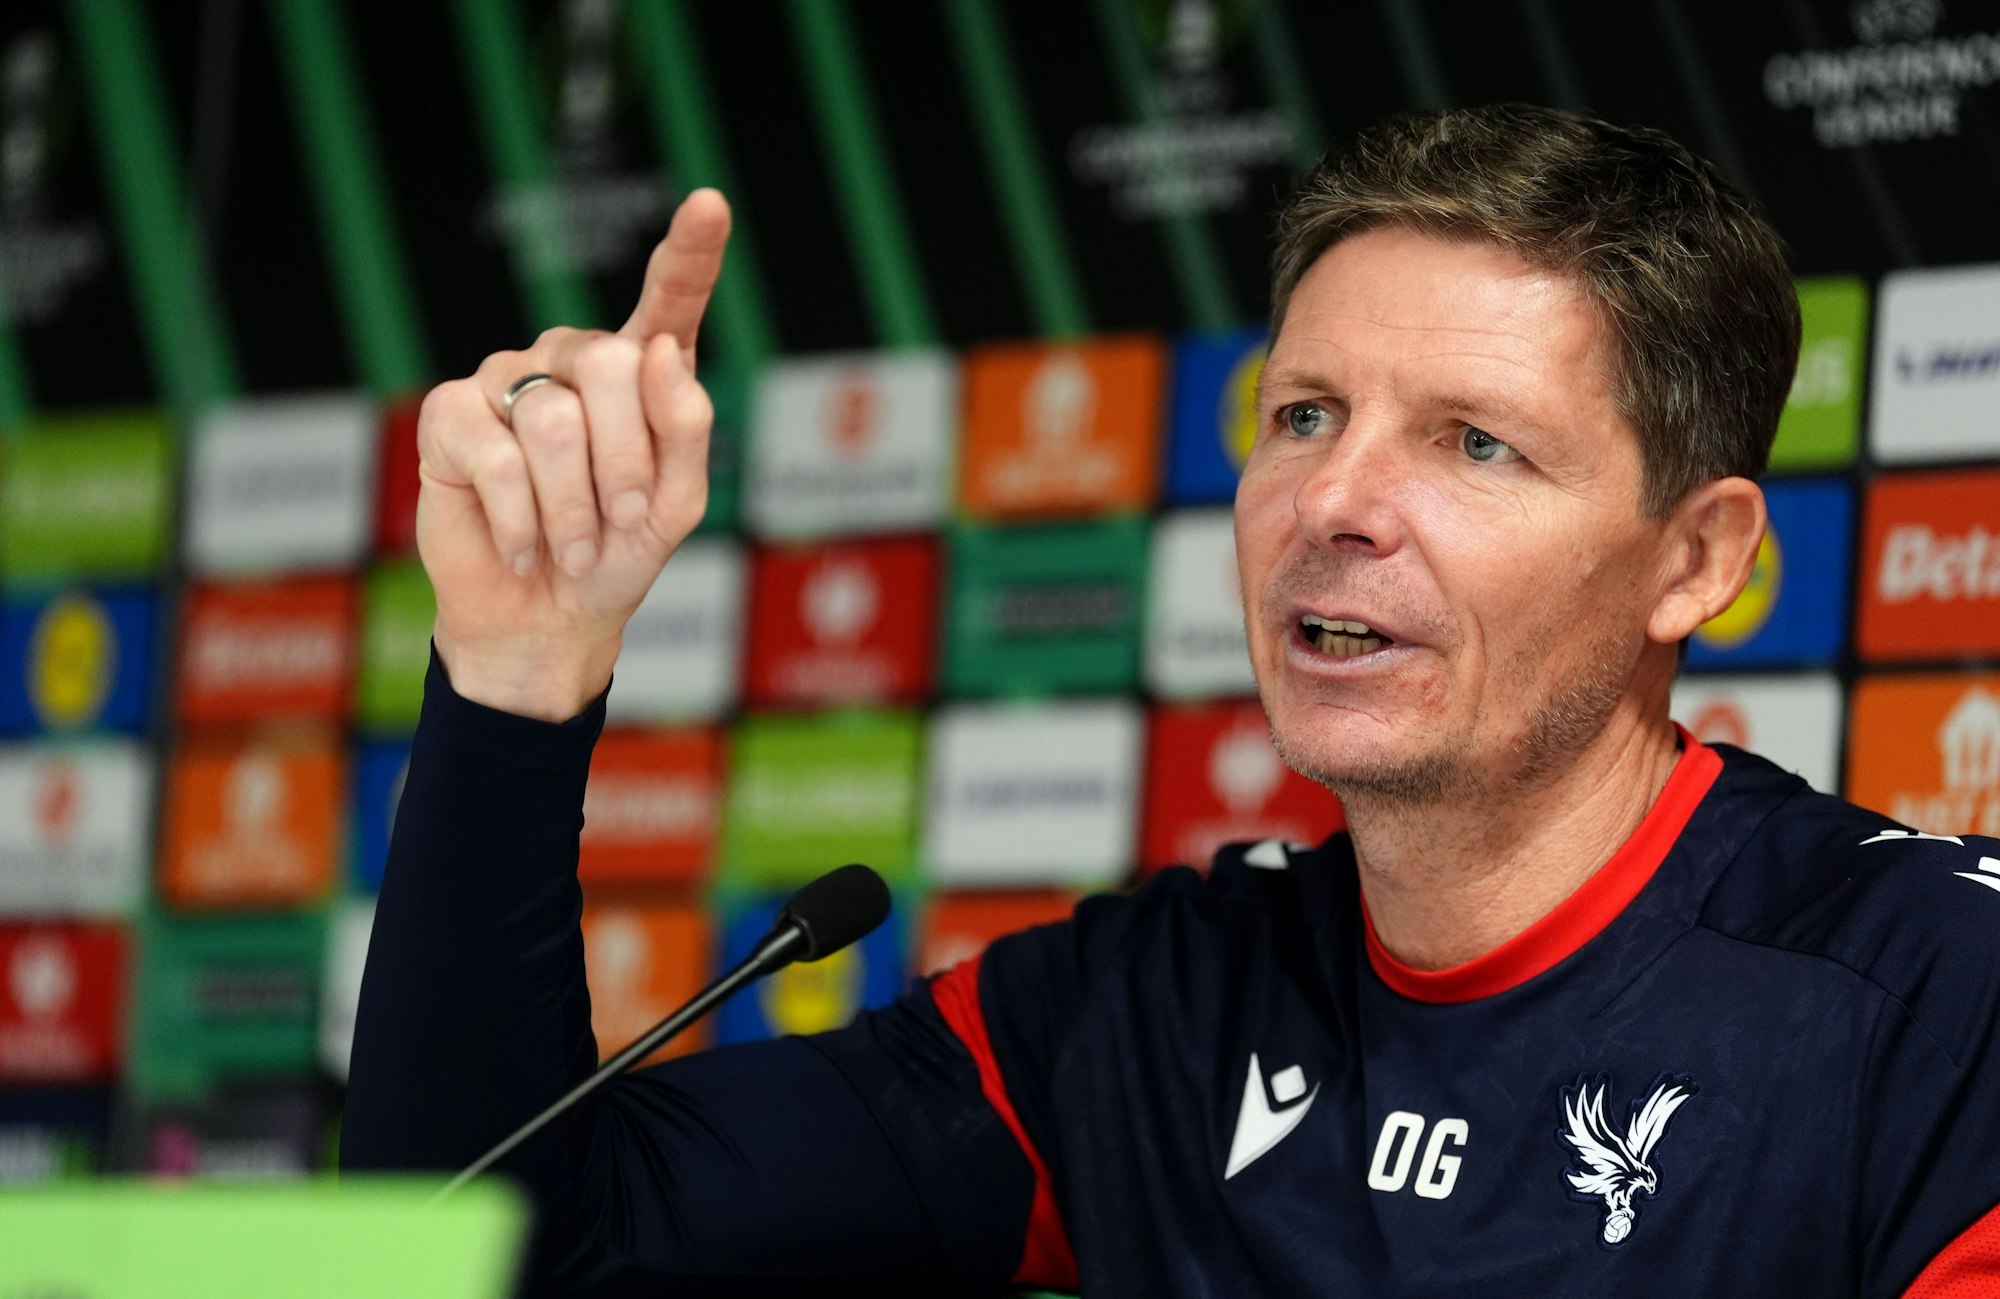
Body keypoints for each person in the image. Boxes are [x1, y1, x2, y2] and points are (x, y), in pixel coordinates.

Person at [341, 104, 2000, 1297]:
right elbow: (489, 1246)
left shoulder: (1937, 999)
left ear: (1694, 561)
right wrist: (518, 668)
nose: (1334, 502)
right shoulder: (1148, 1008)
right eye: (1301, 416)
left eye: (1473, 443)